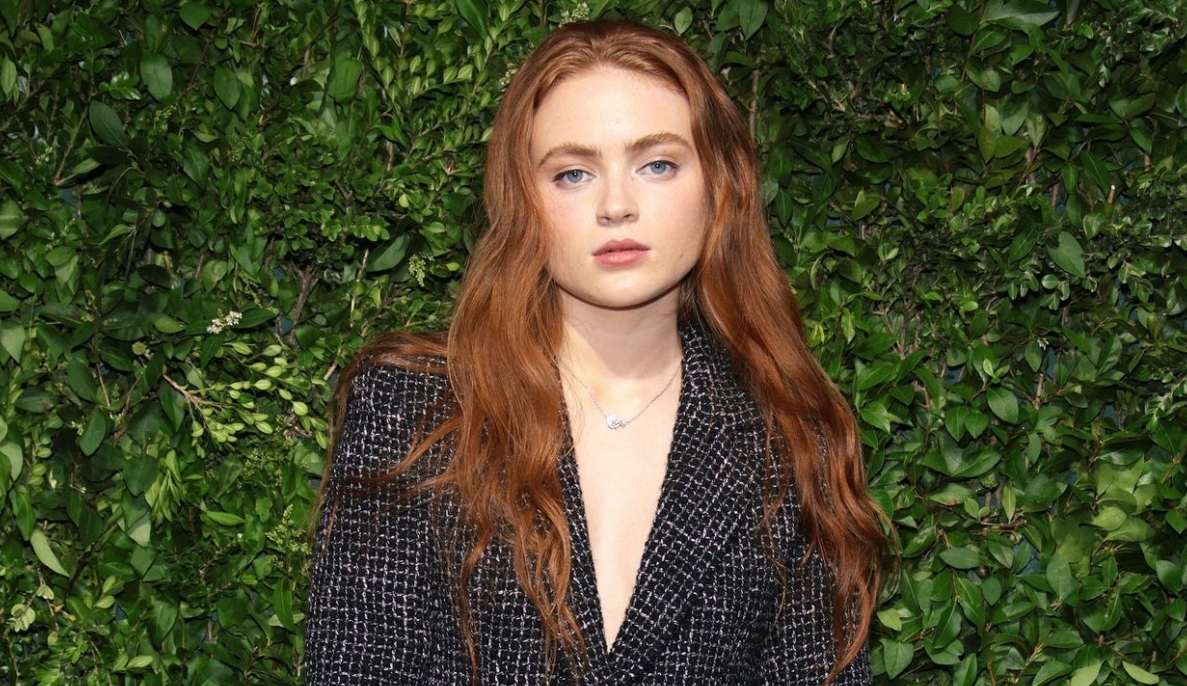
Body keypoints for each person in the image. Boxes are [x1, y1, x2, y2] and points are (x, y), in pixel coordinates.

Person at [305, 18, 890, 685]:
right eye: (573, 173)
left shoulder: (790, 437)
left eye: (657, 164)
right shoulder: (412, 409)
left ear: (719, 183)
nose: (616, 205)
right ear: (521, 199)